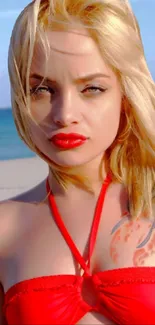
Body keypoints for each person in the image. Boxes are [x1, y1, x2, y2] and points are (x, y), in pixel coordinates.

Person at [0, 0, 155, 324]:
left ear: (125, 95)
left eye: (92, 88)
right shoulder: (5, 226)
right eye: (41, 89)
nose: (64, 115)